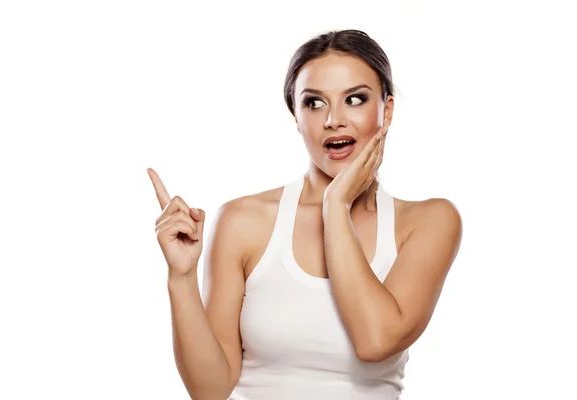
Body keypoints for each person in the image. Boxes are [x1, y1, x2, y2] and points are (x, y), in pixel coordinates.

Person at [148, 29, 463, 400]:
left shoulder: (428, 222)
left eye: (356, 99)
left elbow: (376, 340)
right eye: (314, 103)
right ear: (295, 116)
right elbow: (210, 390)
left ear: (387, 110)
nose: (334, 120)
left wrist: (335, 205)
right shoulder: (242, 222)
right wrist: (181, 278)